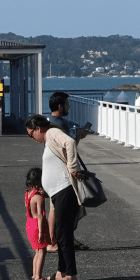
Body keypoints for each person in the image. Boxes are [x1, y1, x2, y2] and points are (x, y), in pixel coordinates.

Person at [26, 114, 83, 280]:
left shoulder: (51, 133)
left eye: (31, 134)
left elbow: (70, 143)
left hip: (64, 190)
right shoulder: (49, 138)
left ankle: (71, 276)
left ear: (38, 129)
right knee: (60, 234)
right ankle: (62, 271)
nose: (32, 138)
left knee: (63, 234)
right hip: (58, 193)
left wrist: (73, 168)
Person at [46, 92, 90, 250]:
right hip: (61, 170)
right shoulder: (58, 124)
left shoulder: (51, 122)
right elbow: (69, 144)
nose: (69, 106)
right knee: (59, 207)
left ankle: (63, 239)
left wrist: (78, 136)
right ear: (60, 106)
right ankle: (54, 241)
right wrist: (73, 168)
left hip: (57, 168)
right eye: (67, 103)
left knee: (60, 206)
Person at [24, 167, 52, 280]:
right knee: (42, 252)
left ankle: (34, 276)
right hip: (37, 225)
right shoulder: (39, 197)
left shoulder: (28, 193)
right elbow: (40, 215)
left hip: (29, 223)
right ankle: (39, 278)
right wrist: (41, 232)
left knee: (37, 251)